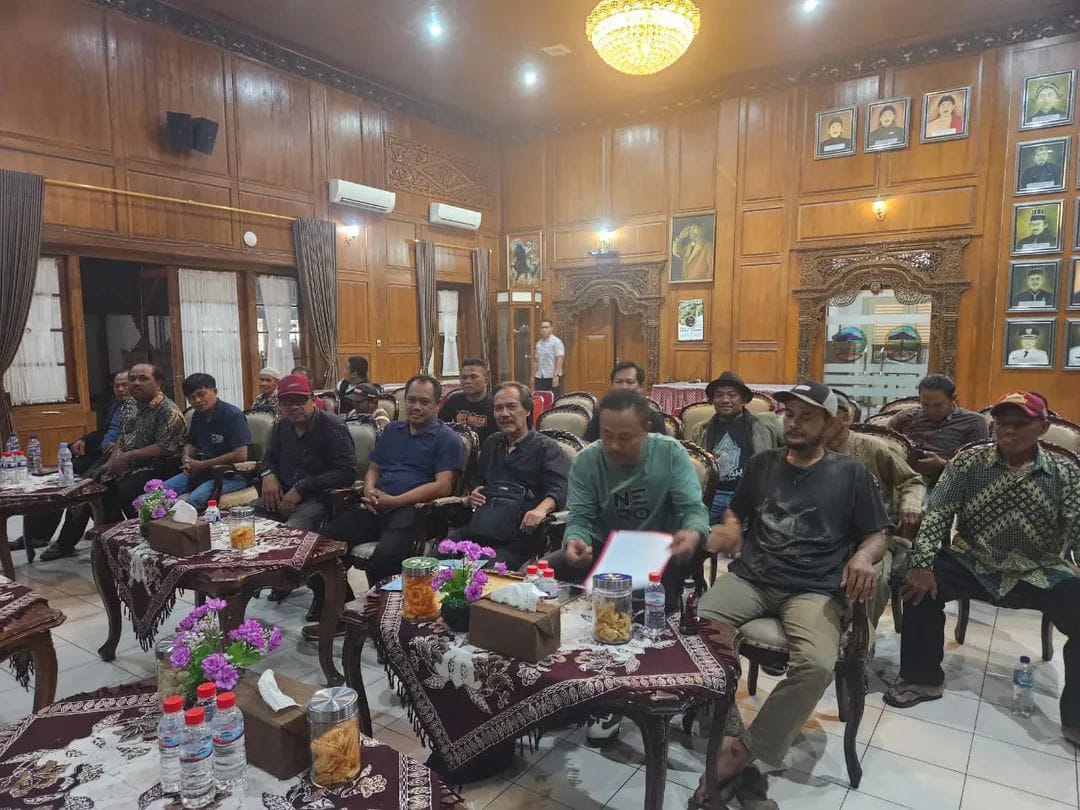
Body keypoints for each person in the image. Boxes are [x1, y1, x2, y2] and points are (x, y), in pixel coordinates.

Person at [681, 381, 888, 804]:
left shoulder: (849, 473)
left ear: (830, 423)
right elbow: (737, 511)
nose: (794, 423)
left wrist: (865, 556)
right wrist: (731, 528)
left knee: (816, 664)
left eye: (806, 417)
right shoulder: (763, 465)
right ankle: (730, 732)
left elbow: (876, 535)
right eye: (790, 414)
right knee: (693, 630)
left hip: (814, 589)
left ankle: (740, 753)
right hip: (752, 578)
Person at [885, 391, 1080, 749]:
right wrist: (923, 562)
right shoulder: (968, 462)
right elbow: (938, 512)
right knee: (917, 587)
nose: (1009, 431)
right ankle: (921, 678)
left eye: (1020, 424)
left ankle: (1076, 718)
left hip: (1041, 569)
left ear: (1043, 427)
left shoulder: (1065, 473)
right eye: (1002, 423)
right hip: (974, 560)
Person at [550, 388, 710, 745]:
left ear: (646, 431)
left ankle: (629, 693)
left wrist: (692, 533)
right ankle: (569, 681)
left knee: (646, 613)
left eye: (625, 437)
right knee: (546, 576)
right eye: (607, 435)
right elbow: (581, 518)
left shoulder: (669, 453)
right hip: (606, 552)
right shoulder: (588, 460)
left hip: (661, 552)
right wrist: (575, 540)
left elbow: (693, 510)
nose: (614, 445)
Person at [320, 374, 463, 587]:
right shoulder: (392, 430)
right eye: (412, 400)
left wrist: (395, 501)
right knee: (323, 543)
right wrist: (369, 490)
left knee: (386, 559)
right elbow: (374, 469)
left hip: (415, 512)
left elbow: (443, 486)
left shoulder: (447, 438)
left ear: (436, 405)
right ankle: (338, 601)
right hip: (378, 506)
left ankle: (383, 605)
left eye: (424, 402)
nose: (416, 407)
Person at [41, 364, 187, 560]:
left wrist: (126, 457)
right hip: (127, 460)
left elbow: (165, 447)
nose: (136, 383)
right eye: (133, 379)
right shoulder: (129, 405)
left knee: (122, 487)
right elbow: (123, 436)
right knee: (87, 487)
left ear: (158, 383)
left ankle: (137, 540)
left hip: (158, 465)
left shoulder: (168, 411)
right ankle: (104, 541)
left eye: (143, 379)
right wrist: (113, 459)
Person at [828, 390, 925, 628]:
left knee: (873, 582)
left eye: (827, 414)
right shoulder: (806, 451)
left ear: (844, 418)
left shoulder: (873, 448)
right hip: (823, 536)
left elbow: (912, 480)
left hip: (874, 535)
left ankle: (862, 639)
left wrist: (911, 503)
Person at [17, 370, 129, 551]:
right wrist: (83, 440)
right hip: (99, 454)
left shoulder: (139, 409)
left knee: (79, 488)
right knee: (58, 480)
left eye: (125, 385)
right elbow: (104, 432)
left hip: (118, 460)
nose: (120, 389)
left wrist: (119, 446)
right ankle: (37, 535)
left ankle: (66, 543)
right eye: (117, 386)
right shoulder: (115, 406)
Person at [463, 382, 568, 569]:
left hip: (519, 534)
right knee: (437, 559)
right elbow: (478, 479)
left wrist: (540, 510)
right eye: (498, 408)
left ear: (527, 410)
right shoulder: (492, 443)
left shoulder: (546, 447)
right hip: (483, 526)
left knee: (481, 571)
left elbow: (558, 490)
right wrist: (475, 492)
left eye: (511, 407)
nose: (504, 414)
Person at [255, 373, 356, 531]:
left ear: (312, 399)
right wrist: (268, 474)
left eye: (300, 400)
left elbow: (347, 472)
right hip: (280, 497)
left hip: (317, 500)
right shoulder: (282, 426)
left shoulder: (333, 426)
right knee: (241, 524)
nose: (294, 407)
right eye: (287, 402)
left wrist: (302, 488)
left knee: (289, 535)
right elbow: (268, 459)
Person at [687, 371, 783, 521]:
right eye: (719, 395)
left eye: (732, 395)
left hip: (751, 496)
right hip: (713, 496)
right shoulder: (700, 430)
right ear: (712, 400)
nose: (725, 400)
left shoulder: (766, 425)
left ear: (743, 399)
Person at [163, 373, 251, 511]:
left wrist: (202, 465)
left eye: (201, 394)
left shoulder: (233, 416)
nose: (197, 400)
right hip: (202, 471)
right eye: (192, 398)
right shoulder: (198, 415)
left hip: (231, 474)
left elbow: (240, 455)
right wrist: (186, 457)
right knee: (158, 492)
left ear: (215, 391)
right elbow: (191, 442)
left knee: (193, 501)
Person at [887, 374, 988, 485]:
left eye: (938, 405)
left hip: (948, 483)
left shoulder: (973, 422)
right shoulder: (907, 417)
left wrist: (943, 465)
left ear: (953, 399)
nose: (931, 410)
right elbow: (882, 442)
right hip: (903, 479)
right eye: (925, 404)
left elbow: (979, 466)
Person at [583, 361, 665, 442]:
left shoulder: (653, 419)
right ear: (612, 386)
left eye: (629, 382)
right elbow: (588, 443)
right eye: (618, 382)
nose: (623, 387)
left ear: (641, 387)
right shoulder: (601, 414)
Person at [438, 357, 496, 443]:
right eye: (464, 377)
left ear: (486, 381)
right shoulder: (454, 400)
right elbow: (440, 428)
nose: (468, 381)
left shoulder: (494, 405)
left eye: (473, 377)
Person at [532, 319, 565, 395]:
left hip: (551, 377)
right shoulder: (539, 344)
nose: (544, 329)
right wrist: (532, 377)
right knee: (539, 399)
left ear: (551, 328)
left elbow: (559, 359)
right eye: (542, 327)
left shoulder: (557, 342)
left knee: (552, 399)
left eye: (546, 327)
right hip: (539, 376)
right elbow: (536, 360)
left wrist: (556, 376)